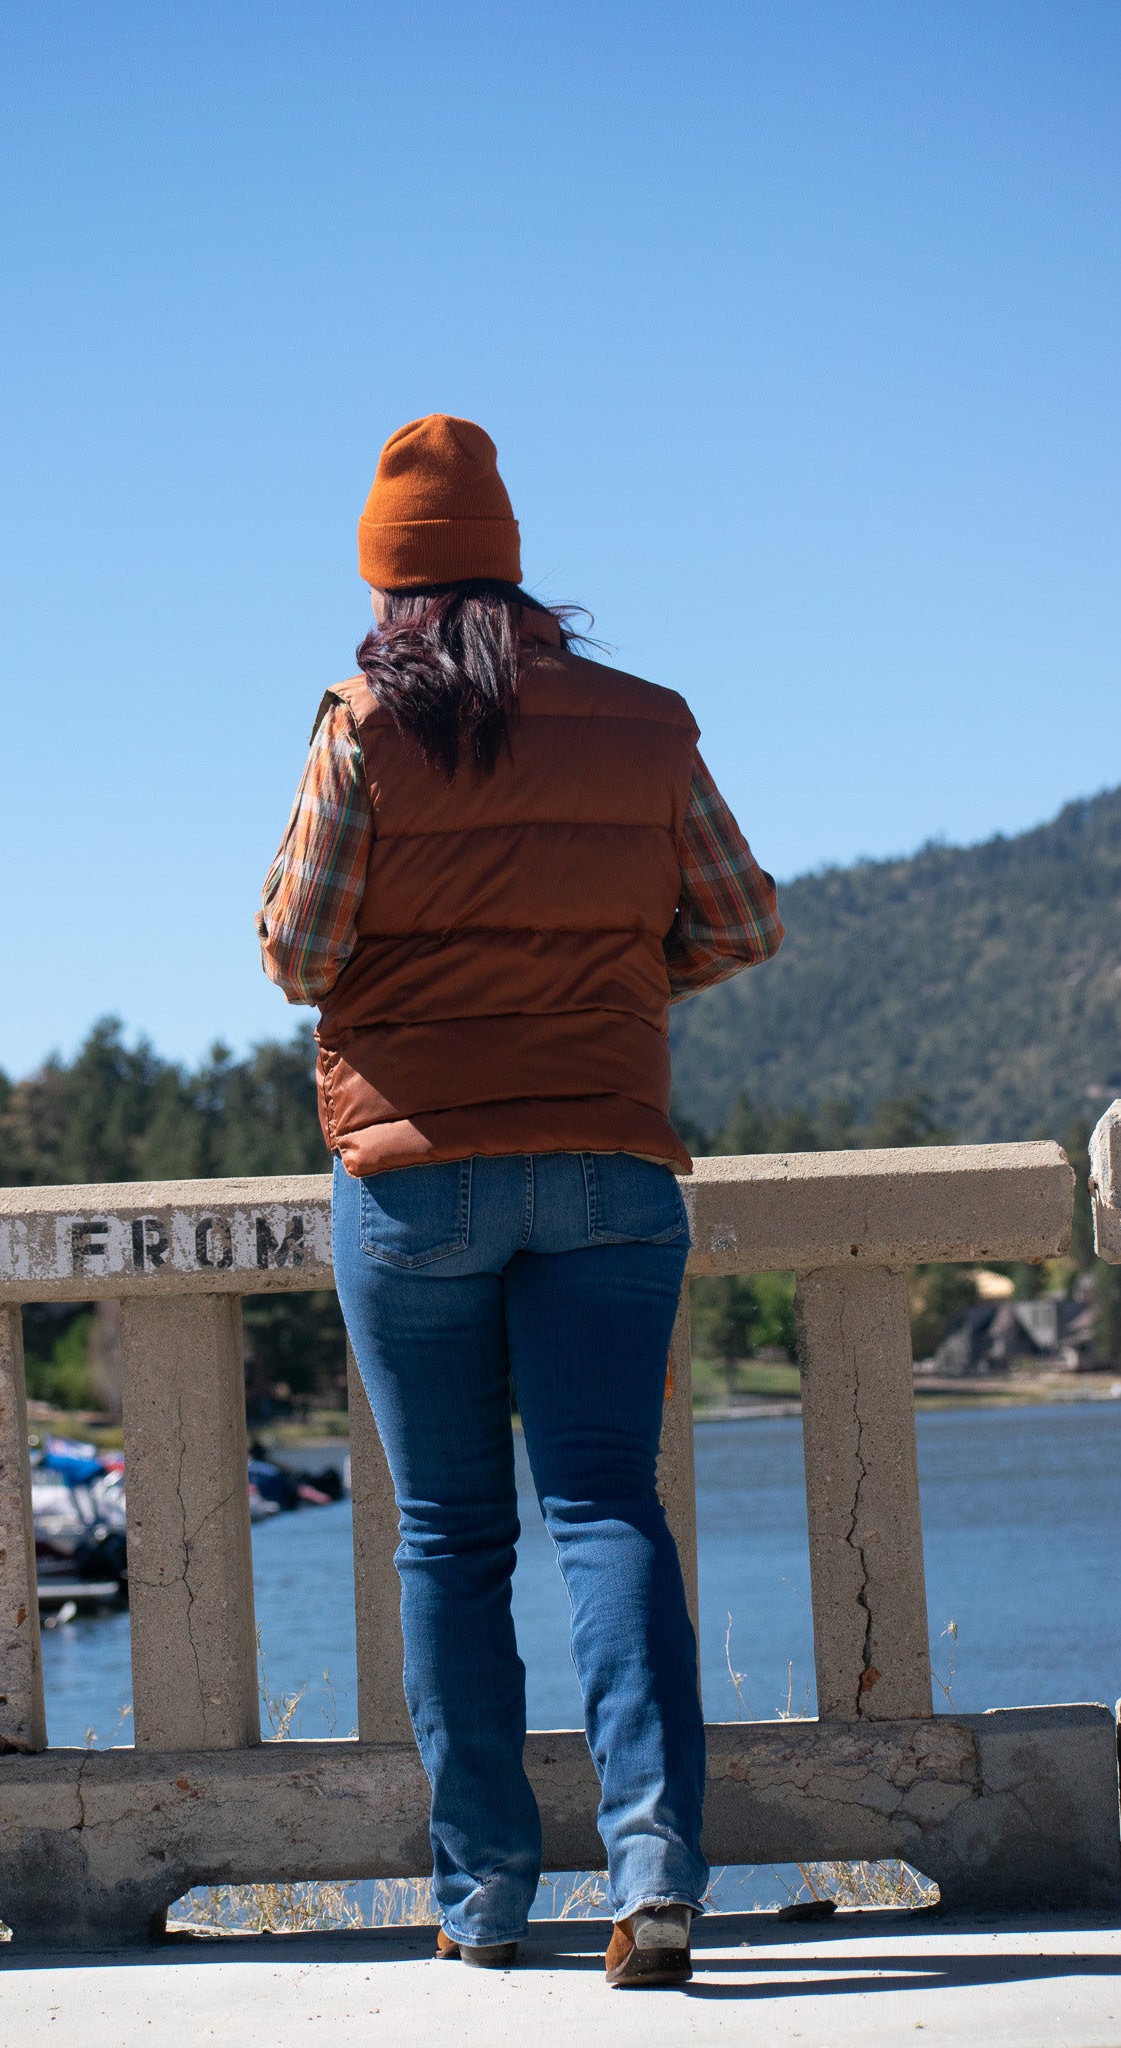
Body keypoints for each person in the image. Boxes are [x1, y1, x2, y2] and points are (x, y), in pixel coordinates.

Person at [258, 415, 782, 1988]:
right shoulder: (644, 721)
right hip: (612, 1165)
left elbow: (295, 951)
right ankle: (654, 1872)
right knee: (607, 1509)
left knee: (447, 1536)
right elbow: (742, 922)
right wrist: (623, 981)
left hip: (413, 1176)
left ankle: (484, 1898)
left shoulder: (362, 723)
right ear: (512, 561)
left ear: (386, 584)